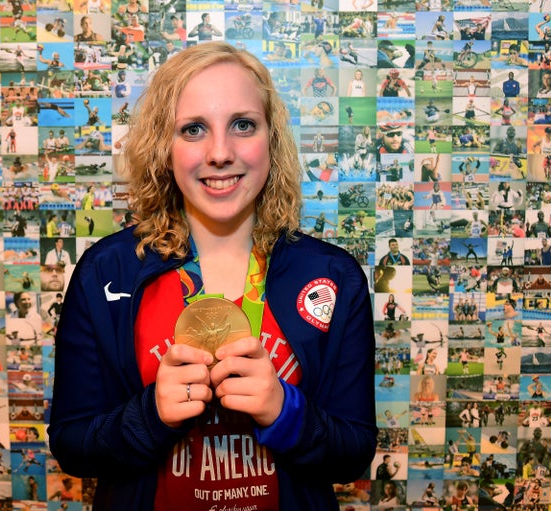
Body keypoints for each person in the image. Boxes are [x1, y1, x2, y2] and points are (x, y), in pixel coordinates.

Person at [49, 42, 377, 510]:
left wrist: (286, 413)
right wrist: (150, 416)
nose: (220, 152)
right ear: (164, 146)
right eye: (194, 129)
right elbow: (71, 442)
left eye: (243, 125)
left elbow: (354, 453)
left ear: (272, 139)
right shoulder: (107, 271)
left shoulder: (332, 275)